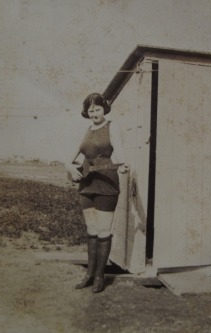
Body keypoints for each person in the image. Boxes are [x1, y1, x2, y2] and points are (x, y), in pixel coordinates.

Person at [66, 93, 128, 293]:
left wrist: (123, 163)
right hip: (86, 183)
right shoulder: (86, 130)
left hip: (106, 183)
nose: (94, 113)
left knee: (103, 230)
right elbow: (70, 156)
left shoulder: (112, 126)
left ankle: (100, 277)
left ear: (104, 109)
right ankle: (89, 275)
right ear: (86, 112)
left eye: (98, 109)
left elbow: (118, 148)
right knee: (91, 229)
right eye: (91, 110)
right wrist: (70, 167)